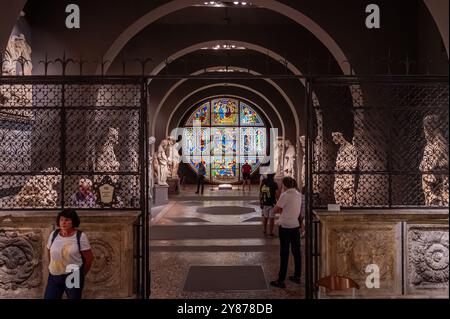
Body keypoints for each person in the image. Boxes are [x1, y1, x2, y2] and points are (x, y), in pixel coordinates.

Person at [44, 209, 94, 299]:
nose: (63, 222)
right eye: (62, 220)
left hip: (73, 276)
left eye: (67, 220)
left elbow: (89, 259)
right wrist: (53, 266)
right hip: (54, 275)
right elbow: (49, 252)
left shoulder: (80, 236)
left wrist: (80, 275)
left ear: (73, 221)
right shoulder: (54, 234)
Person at [270, 177, 303, 288]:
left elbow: (276, 209)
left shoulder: (285, 195)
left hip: (285, 227)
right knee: (296, 252)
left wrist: (275, 209)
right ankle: (297, 276)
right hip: (295, 225)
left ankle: (281, 280)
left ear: (284, 185)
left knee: (284, 253)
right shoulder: (298, 194)